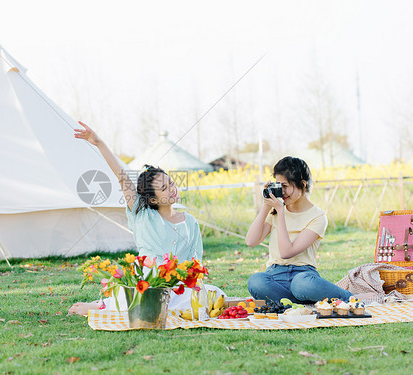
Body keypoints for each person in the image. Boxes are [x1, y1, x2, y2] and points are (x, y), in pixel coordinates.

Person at [68, 122, 224, 316]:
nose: (172, 189)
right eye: (164, 189)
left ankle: (143, 306)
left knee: (215, 294)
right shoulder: (142, 216)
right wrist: (99, 143)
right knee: (147, 294)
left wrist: (193, 282)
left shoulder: (190, 221)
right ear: (152, 198)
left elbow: (195, 262)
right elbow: (121, 176)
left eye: (171, 183)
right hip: (148, 283)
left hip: (179, 289)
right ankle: (102, 307)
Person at [245, 156, 357, 304]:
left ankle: (347, 298)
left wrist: (281, 212)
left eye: (285, 186)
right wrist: (266, 205)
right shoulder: (276, 211)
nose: (281, 191)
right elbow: (251, 241)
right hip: (275, 274)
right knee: (256, 281)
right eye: (278, 185)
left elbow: (286, 252)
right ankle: (299, 303)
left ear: (302, 184)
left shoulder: (318, 217)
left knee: (301, 285)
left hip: (303, 275)